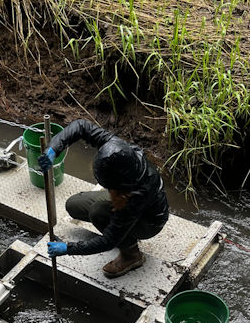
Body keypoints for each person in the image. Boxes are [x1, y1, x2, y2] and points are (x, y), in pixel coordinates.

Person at [38, 119, 169, 278]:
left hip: (149, 221)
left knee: (98, 213)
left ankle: (131, 255)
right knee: (74, 205)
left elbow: (108, 241)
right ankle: (124, 234)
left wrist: (68, 248)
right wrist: (53, 149)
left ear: (117, 188)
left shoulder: (137, 195)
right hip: (128, 194)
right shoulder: (115, 148)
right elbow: (81, 126)